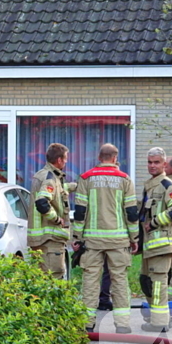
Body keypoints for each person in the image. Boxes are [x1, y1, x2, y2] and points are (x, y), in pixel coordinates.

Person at [73, 143, 139, 334]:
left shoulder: (86, 178)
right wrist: (134, 238)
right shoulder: (125, 180)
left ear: (99, 157)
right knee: (119, 281)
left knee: (91, 281)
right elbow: (131, 212)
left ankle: (87, 323)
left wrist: (77, 237)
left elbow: (80, 211)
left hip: (92, 241)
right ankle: (123, 324)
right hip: (119, 241)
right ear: (115, 159)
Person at [139, 147, 172, 332]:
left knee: (158, 285)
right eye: (150, 162)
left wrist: (156, 222)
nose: (152, 166)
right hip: (149, 246)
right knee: (145, 281)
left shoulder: (168, 186)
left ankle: (160, 323)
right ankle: (158, 318)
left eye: (156, 162)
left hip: (162, 246)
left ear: (164, 164)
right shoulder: (149, 185)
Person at [29, 143, 72, 278]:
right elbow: (42, 202)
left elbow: (56, 190)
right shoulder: (50, 178)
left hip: (40, 240)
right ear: (59, 160)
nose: (66, 162)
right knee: (55, 277)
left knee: (40, 278)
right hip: (50, 240)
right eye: (65, 158)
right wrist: (57, 219)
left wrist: (74, 186)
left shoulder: (43, 175)